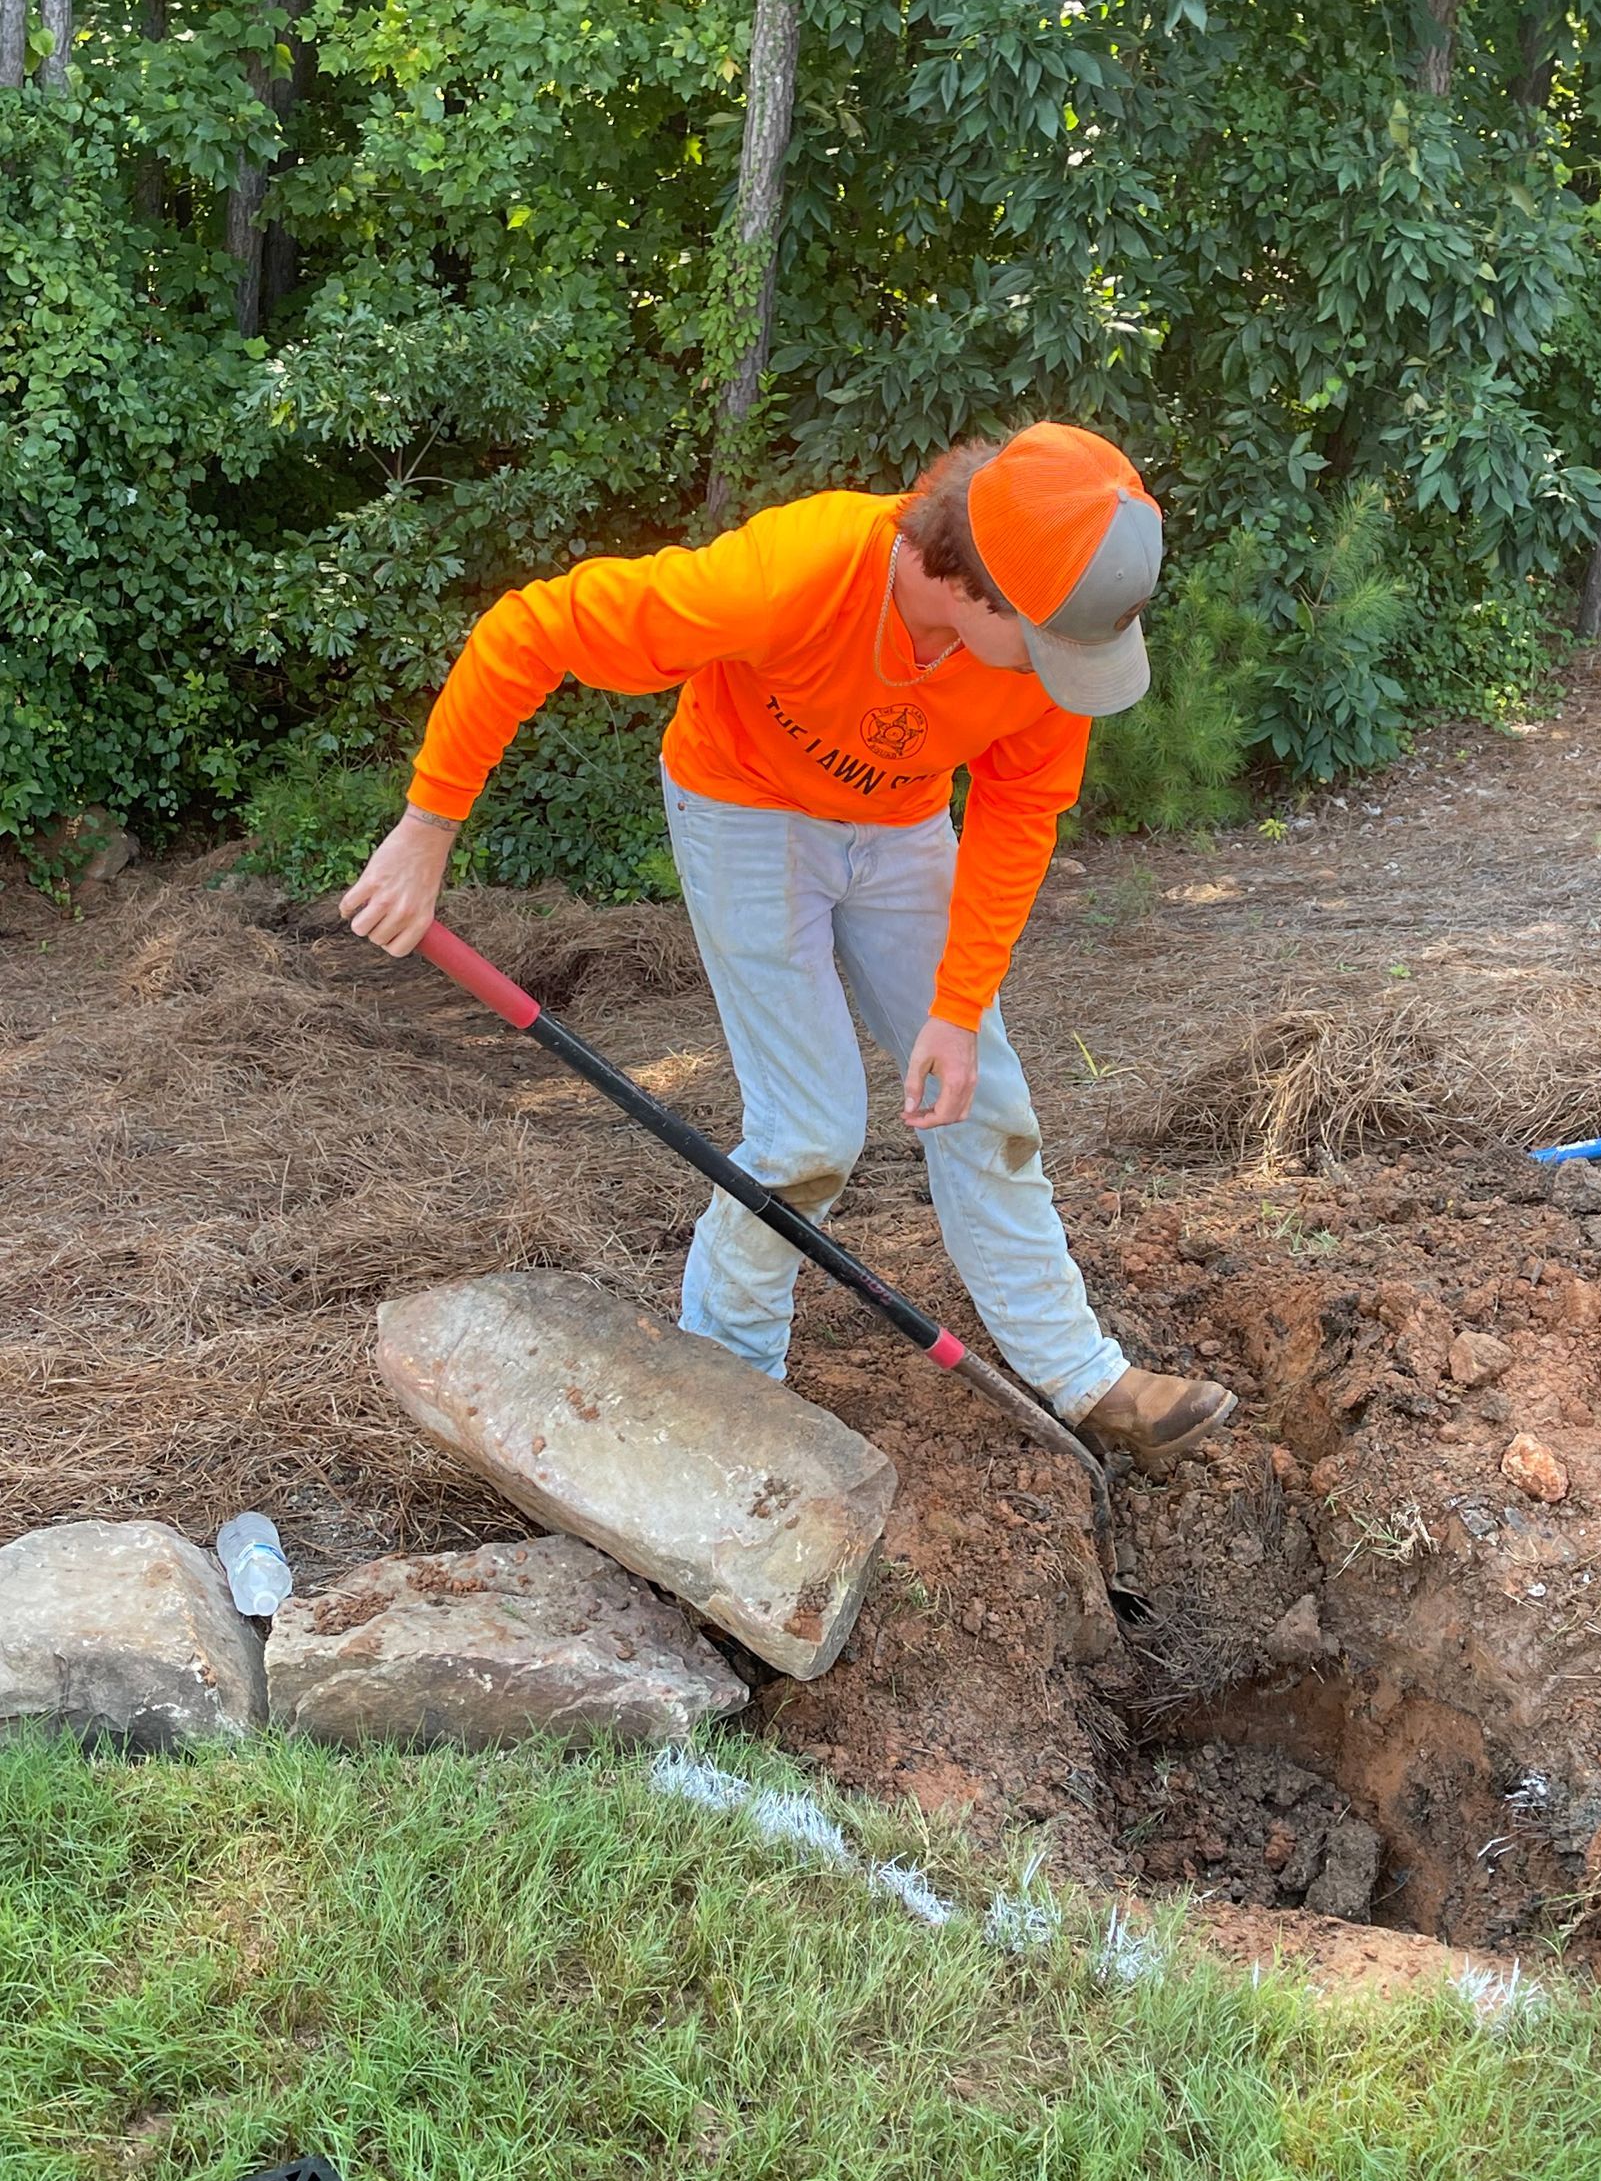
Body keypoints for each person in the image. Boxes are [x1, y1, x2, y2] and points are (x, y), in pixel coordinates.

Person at [339, 421, 1236, 1470]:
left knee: (983, 1091)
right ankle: (728, 1389)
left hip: (902, 827)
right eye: (1047, 646)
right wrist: (428, 825)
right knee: (810, 1129)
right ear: (970, 588)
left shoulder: (1040, 645)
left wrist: (954, 1008)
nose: (1059, 675)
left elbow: (1020, 808)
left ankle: (1085, 1377)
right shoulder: (789, 576)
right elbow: (535, 627)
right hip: (746, 807)